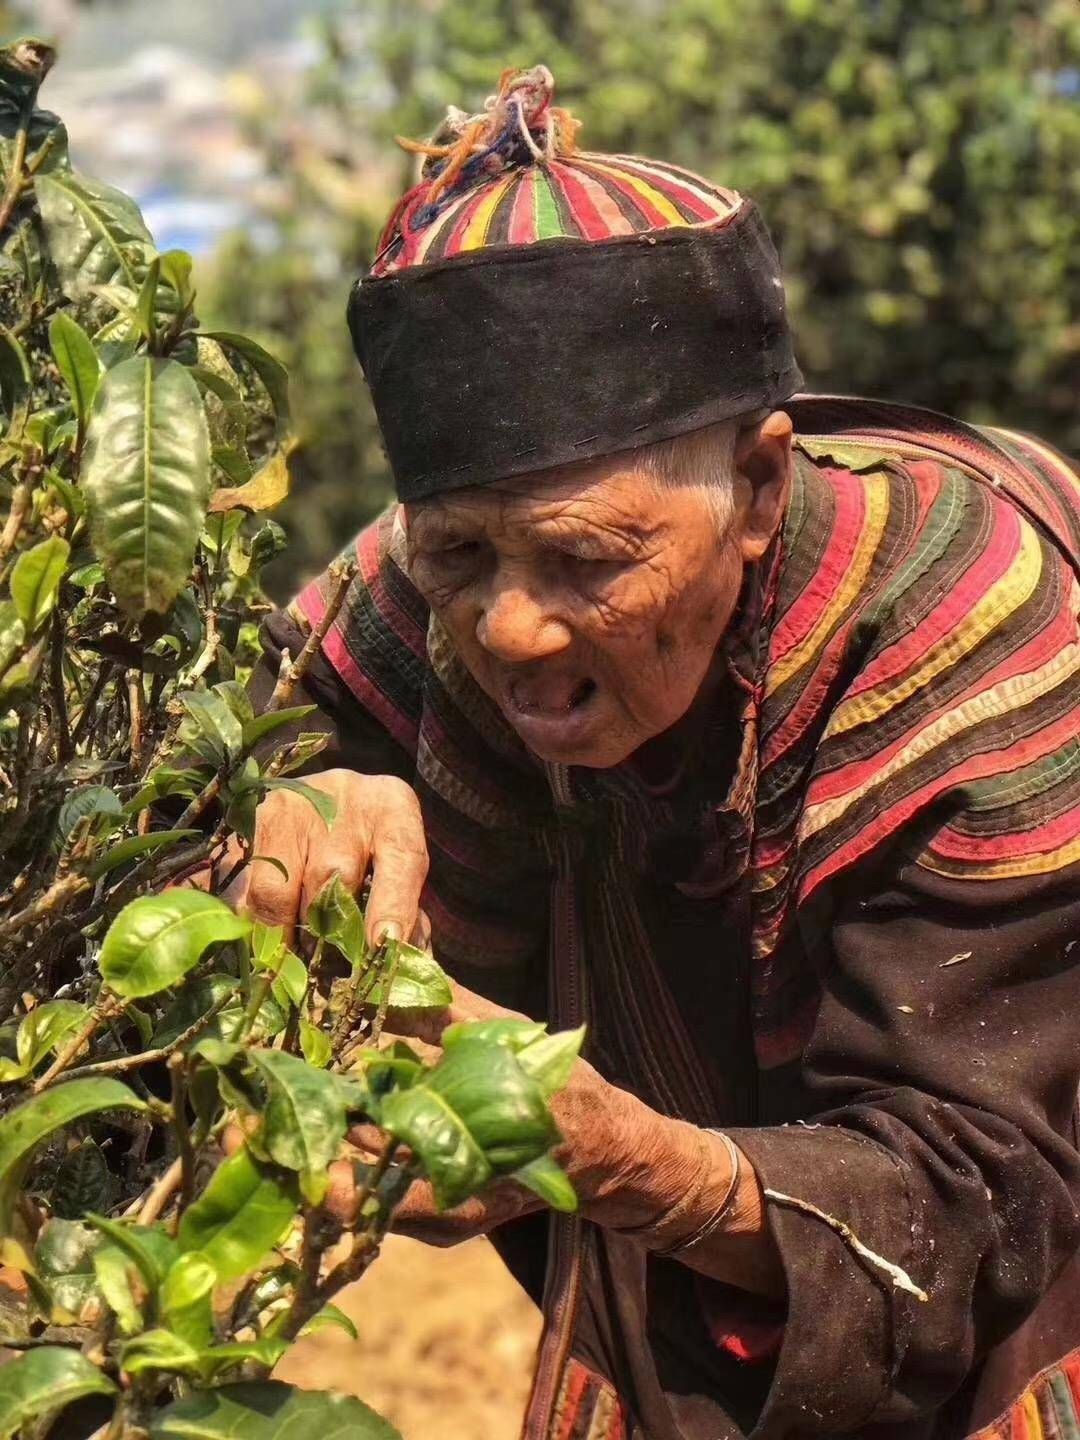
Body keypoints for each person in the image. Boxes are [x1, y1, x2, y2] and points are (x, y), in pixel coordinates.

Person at [236, 66, 1080, 1440]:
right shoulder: (404, 607)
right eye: (462, 552)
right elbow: (221, 779)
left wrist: (621, 1159)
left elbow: (983, 1194)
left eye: (585, 560)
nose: (508, 627)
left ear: (756, 485)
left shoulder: (965, 628)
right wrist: (294, 804)